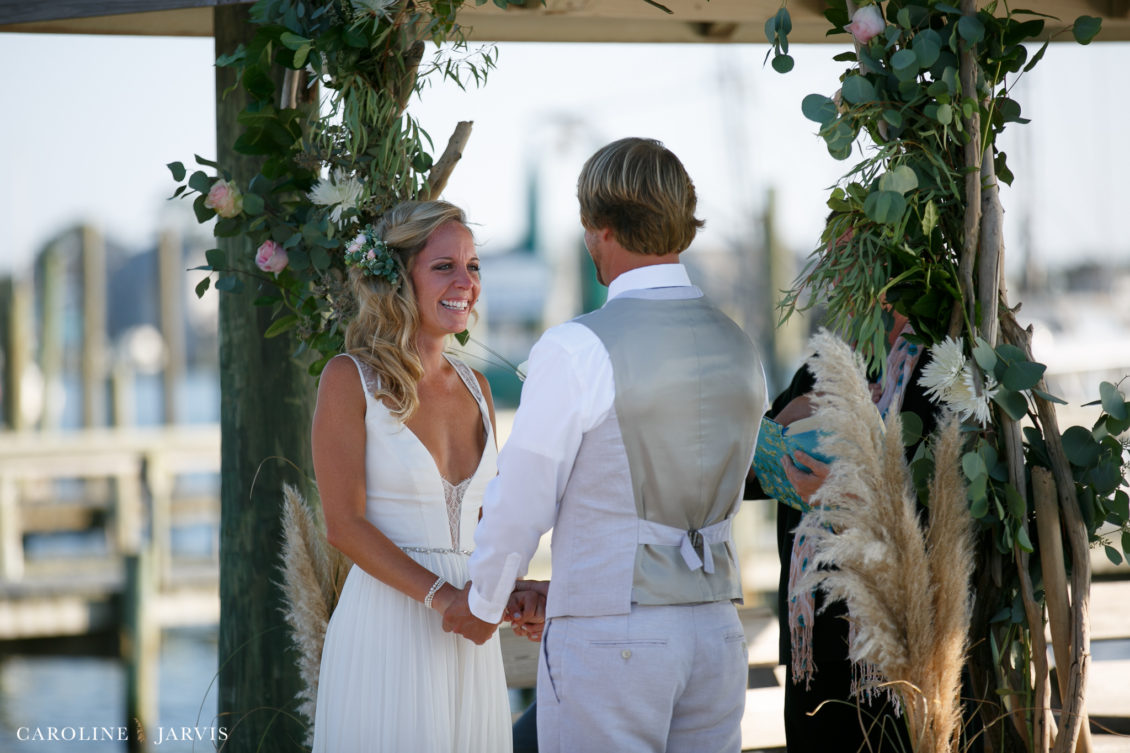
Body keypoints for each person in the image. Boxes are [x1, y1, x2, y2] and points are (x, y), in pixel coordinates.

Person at [441, 137, 768, 753]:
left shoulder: (579, 347)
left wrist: (484, 602)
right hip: (718, 633)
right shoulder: (739, 347)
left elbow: (523, 499)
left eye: (588, 226)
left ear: (602, 228)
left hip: (614, 639)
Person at [309, 200, 513, 753]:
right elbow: (343, 526)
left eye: (472, 266)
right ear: (399, 277)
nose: (465, 282)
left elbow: (488, 523)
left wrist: (512, 592)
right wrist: (443, 598)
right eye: (444, 266)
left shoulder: (479, 388)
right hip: (388, 627)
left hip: (471, 630)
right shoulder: (349, 380)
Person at [748, 300, 938, 753]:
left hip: (897, 646)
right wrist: (780, 420)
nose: (840, 281)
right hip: (812, 647)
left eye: (852, 256)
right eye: (834, 262)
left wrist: (847, 496)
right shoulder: (819, 369)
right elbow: (746, 477)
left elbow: (942, 507)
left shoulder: (936, 373)